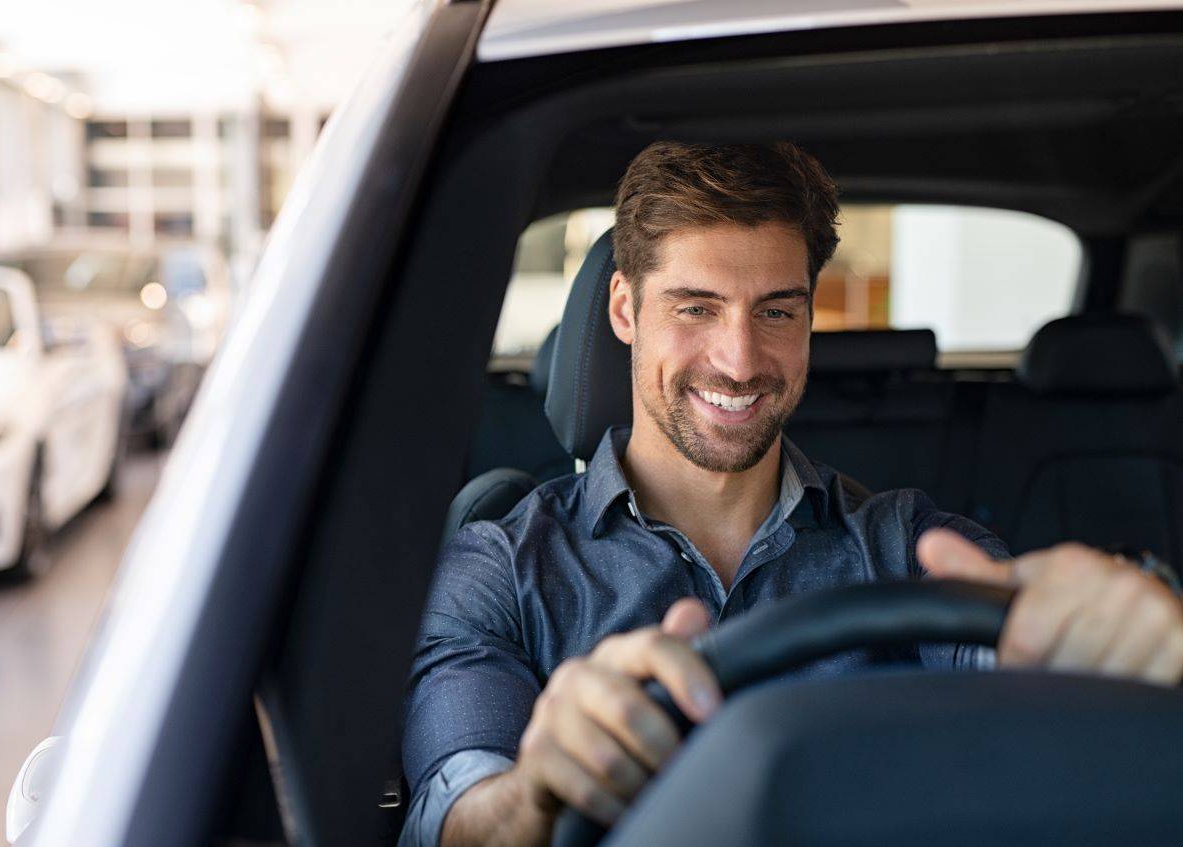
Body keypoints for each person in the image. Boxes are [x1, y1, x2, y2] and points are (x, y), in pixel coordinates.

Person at [398, 142, 1183, 847]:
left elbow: (1028, 668)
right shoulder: (498, 567)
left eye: (776, 310)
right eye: (696, 307)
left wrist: (1114, 649)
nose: (740, 360)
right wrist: (536, 787)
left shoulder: (907, 545)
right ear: (625, 310)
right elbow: (458, 813)